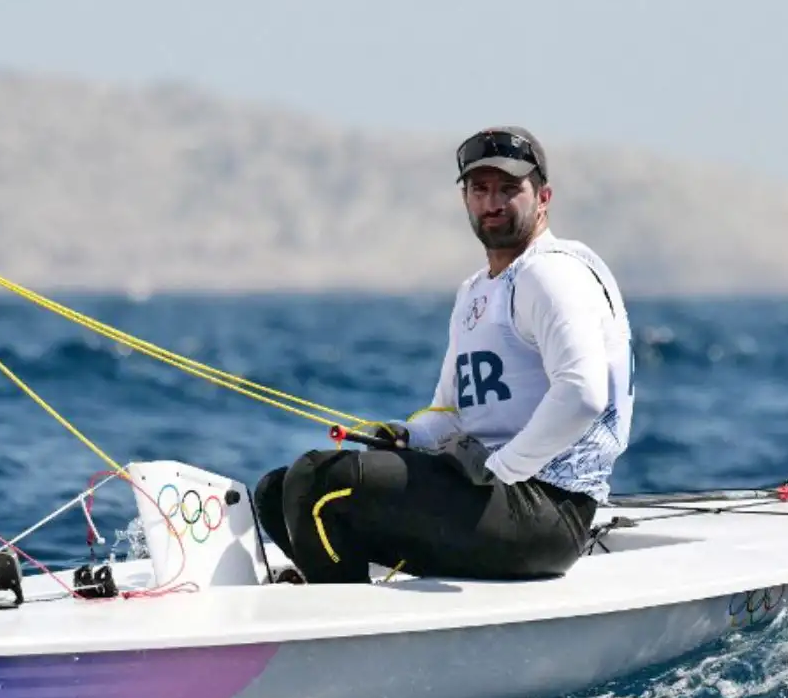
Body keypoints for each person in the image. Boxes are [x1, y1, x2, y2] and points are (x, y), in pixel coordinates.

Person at [255, 126, 633, 584]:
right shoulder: (475, 292)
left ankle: (337, 626)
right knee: (276, 491)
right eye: (480, 189)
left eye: (509, 189)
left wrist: (501, 469)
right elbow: (451, 417)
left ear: (544, 196)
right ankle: (343, 596)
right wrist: (406, 436)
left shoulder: (550, 274)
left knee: (318, 484)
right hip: (490, 498)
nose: (492, 202)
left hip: (547, 511)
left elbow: (582, 396)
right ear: (465, 198)